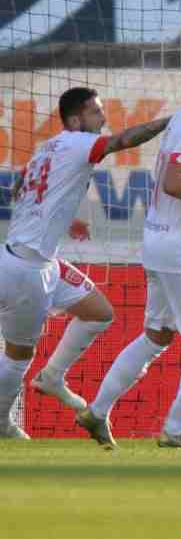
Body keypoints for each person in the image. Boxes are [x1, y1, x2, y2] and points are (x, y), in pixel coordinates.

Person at [75, 53, 181, 449]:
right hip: (180, 250)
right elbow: (174, 181)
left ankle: (97, 410)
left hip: (162, 243)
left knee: (157, 335)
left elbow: (178, 192)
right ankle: (176, 428)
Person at [0, 88, 169, 438]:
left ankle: (52, 376)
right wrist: (171, 121)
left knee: (99, 311)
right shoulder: (79, 143)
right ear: (76, 120)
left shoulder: (49, 146)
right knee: (18, 355)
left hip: (39, 259)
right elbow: (123, 140)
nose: (103, 118)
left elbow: (22, 187)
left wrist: (64, 220)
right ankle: (2, 423)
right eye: (96, 112)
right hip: (26, 270)